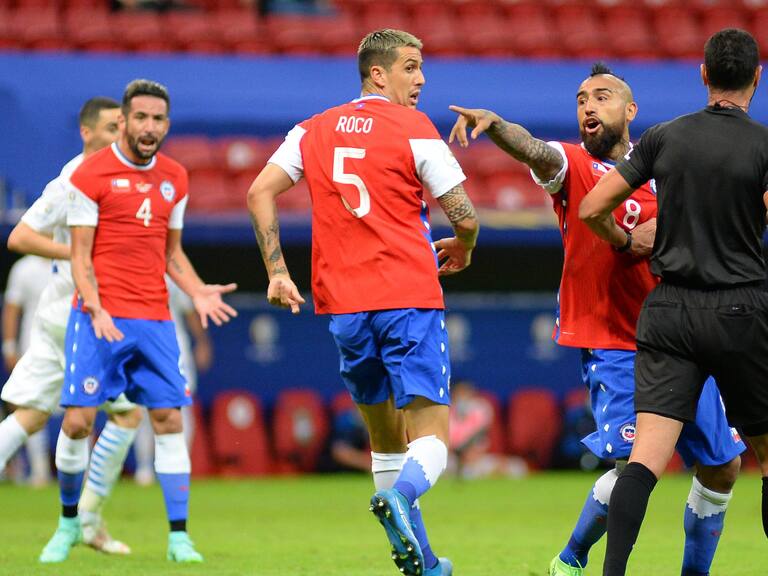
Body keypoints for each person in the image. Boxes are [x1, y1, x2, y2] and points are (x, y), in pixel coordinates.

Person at [450, 61, 744, 576]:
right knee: (634, 468)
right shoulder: (574, 166)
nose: (589, 105)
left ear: (630, 110)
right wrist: (496, 126)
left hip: (681, 339)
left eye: (602, 96)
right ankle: (572, 557)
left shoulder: (665, 170)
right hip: (615, 340)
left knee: (722, 468)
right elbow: (534, 149)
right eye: (582, 98)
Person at [247, 29, 478, 576]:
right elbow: (463, 213)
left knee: (385, 443)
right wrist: (464, 246)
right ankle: (402, 500)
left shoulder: (311, 129)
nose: (421, 79)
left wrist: (278, 273)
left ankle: (421, 563)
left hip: (344, 308)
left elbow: (259, 191)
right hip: (408, 297)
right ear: (379, 73)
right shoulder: (413, 127)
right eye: (411, 67)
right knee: (433, 441)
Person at [578, 29, 768, 576]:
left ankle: (612, 573)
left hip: (669, 313)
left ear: (704, 75)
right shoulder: (762, 145)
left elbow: (593, 207)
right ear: (757, 78)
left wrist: (628, 240)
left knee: (644, 463)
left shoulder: (664, 138)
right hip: (739, 310)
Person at [38, 79, 237, 564]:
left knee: (168, 419)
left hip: (154, 319)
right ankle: (68, 524)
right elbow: (80, 258)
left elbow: (172, 253)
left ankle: (178, 538)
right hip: (98, 318)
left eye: (159, 120)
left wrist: (197, 290)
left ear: (167, 125)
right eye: (141, 118)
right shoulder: (91, 176)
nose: (150, 128)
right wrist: (97, 308)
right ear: (123, 121)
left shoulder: (176, 178)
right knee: (79, 423)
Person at [0, 96, 146, 555]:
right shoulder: (71, 182)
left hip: (61, 312)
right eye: (109, 128)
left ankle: (85, 523)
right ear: (86, 133)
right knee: (121, 416)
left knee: (30, 415)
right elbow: (20, 236)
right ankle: (86, 522)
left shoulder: (117, 177)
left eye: (121, 127)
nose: (118, 135)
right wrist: (79, 255)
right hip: (84, 317)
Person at [133, 275, 213, 485]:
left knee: (182, 406)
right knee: (142, 408)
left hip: (176, 349)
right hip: (141, 347)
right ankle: (144, 468)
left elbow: (188, 311)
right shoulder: (132, 268)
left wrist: (202, 342)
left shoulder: (173, 271)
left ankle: (179, 465)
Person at [2, 254, 54, 486]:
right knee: (30, 409)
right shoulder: (24, 267)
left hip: (72, 348)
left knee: (81, 411)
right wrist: (10, 346)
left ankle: (81, 477)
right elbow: (12, 308)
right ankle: (39, 470)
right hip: (34, 348)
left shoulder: (76, 257)